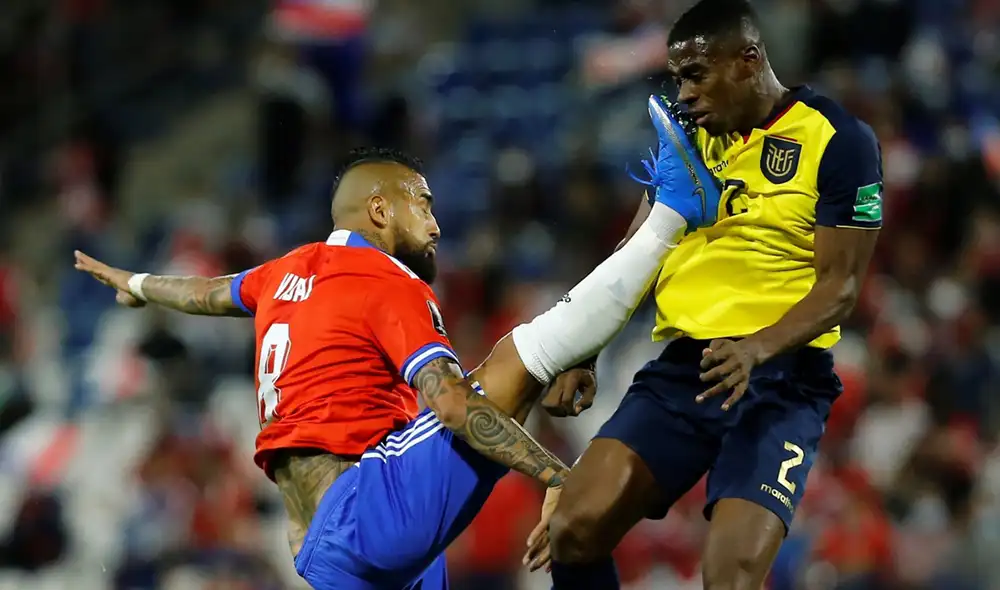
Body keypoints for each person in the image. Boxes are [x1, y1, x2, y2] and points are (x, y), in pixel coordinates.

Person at [75, 134, 717, 588]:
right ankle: (672, 213)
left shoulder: (285, 272)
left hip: (322, 557)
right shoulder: (384, 280)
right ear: (381, 210)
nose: (436, 223)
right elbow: (453, 403)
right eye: (424, 203)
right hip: (365, 513)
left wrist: (136, 286)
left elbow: (207, 294)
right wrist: (557, 477)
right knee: (518, 359)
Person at [526, 1, 884, 589]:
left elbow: (840, 289)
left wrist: (755, 349)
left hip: (782, 383)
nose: (684, 94)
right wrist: (586, 347)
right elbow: (638, 244)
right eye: (677, 79)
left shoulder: (840, 140)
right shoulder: (689, 136)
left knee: (729, 579)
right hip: (685, 372)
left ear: (749, 61)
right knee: (572, 528)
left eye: (697, 75)